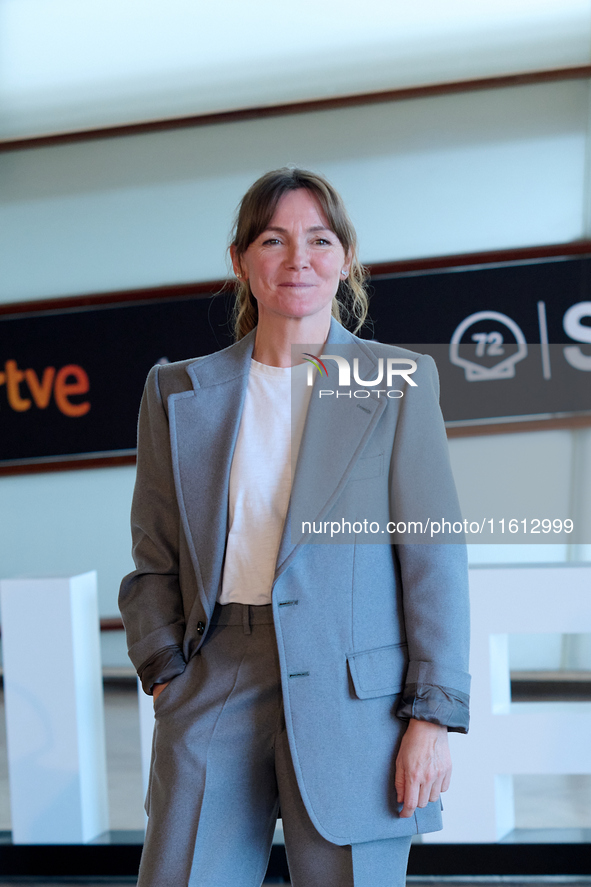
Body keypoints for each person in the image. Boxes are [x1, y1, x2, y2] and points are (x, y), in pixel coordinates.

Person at [119, 167, 470, 887]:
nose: (296, 259)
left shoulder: (397, 382)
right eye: (273, 240)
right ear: (240, 259)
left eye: (317, 239)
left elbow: (433, 556)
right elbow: (153, 556)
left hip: (354, 696)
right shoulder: (175, 390)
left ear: (343, 257)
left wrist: (431, 717)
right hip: (213, 675)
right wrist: (165, 676)